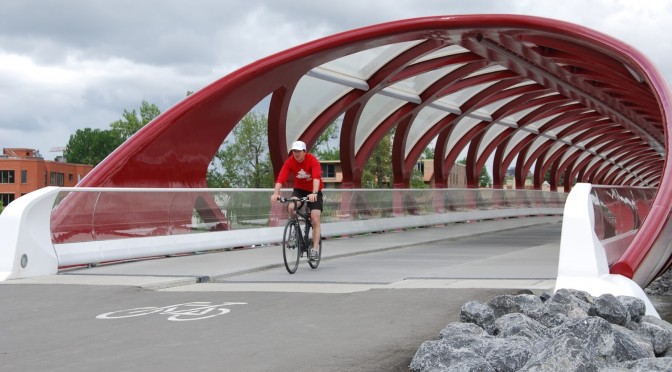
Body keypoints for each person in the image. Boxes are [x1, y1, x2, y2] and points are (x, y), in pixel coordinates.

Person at [271, 140, 323, 259]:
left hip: (314, 191)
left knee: (315, 218)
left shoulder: (312, 160)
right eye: (294, 151)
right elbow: (281, 178)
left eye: (299, 151)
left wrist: (314, 193)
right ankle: (294, 228)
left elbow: (316, 177)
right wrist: (275, 193)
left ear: (305, 152)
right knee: (291, 206)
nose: (296, 154)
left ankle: (315, 249)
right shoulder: (290, 162)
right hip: (299, 190)